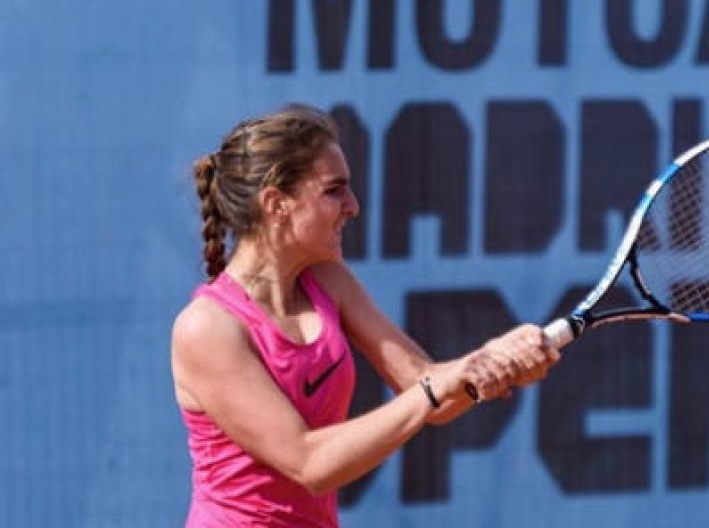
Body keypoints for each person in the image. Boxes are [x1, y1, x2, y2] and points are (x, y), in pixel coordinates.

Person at [170, 104, 560, 526]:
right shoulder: (208, 328)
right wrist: (437, 388)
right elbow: (310, 464)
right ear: (276, 203)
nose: (353, 206)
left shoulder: (329, 281)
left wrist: (490, 363)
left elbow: (425, 386)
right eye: (333, 190)